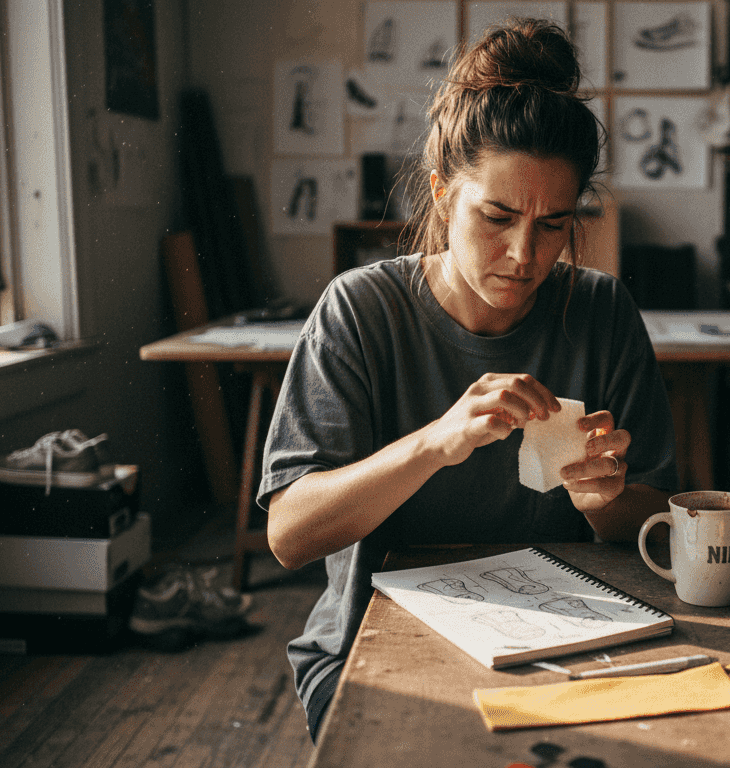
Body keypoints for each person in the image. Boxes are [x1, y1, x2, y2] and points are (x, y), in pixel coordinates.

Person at [257, 18, 680, 741]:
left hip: (564, 644)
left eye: (554, 224)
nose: (524, 254)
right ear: (443, 195)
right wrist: (435, 443)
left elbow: (658, 525)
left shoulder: (601, 309)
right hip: (375, 645)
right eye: (498, 216)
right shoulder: (360, 310)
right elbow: (290, 536)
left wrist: (602, 498)